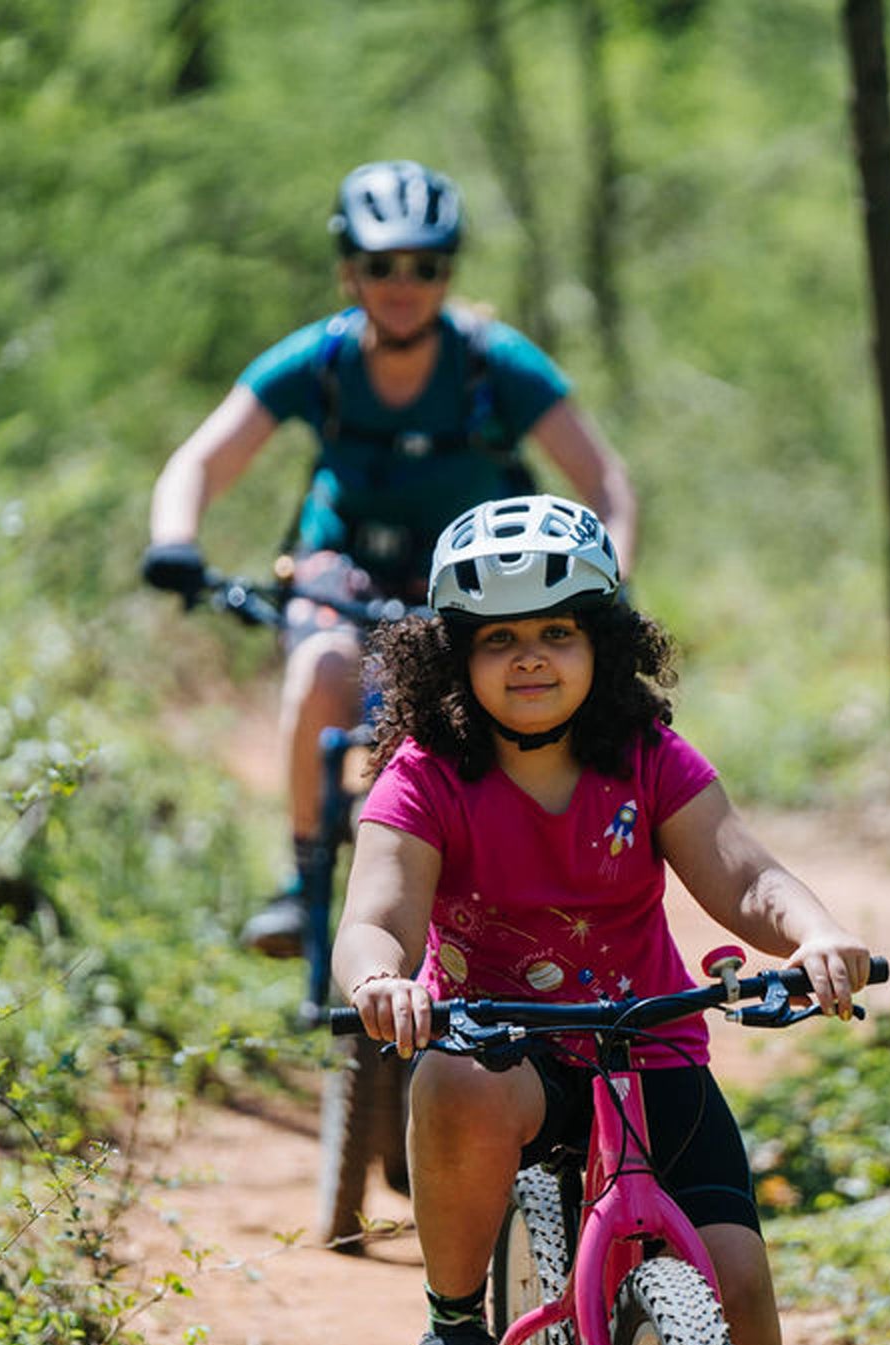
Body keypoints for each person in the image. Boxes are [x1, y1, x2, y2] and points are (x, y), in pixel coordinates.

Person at [333, 494, 873, 1345]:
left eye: (556, 633)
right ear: (453, 659)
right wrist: (378, 981)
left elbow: (745, 875)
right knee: (453, 1080)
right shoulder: (423, 778)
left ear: (604, 645)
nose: (530, 659)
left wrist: (816, 934)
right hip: (505, 1050)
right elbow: (374, 915)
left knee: (737, 1284)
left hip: (650, 1057)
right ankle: (458, 1325)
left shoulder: (650, 756)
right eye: (498, 640)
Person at [142, 159, 638, 956]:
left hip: (477, 585)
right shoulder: (322, 360)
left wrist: (609, 580)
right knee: (323, 670)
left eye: (425, 265)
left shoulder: (495, 364)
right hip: (343, 569)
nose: (402, 283)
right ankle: (304, 880)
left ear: (448, 274)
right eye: (381, 265)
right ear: (348, 271)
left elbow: (605, 481)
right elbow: (201, 460)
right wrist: (175, 541)